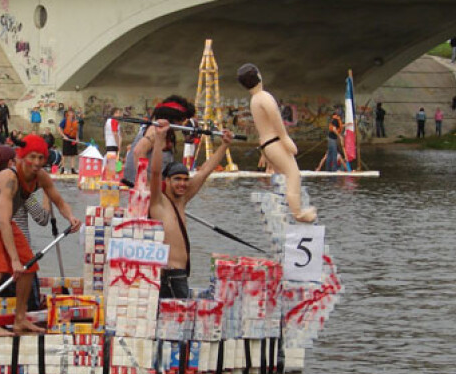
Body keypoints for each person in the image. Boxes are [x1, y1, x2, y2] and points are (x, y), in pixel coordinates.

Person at [0, 138, 81, 336]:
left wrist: (71, 217)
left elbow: (59, 201)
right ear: (22, 157)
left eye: (41, 158)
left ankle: (20, 319)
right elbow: (3, 222)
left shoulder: (41, 177)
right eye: (32, 157)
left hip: (5, 221)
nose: (37, 163)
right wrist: (13, 260)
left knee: (30, 267)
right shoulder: (9, 179)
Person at [149, 120, 232, 298]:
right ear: (167, 182)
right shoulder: (158, 202)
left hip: (181, 276)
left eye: (185, 179)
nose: (183, 184)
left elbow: (204, 172)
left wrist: (224, 145)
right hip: (167, 276)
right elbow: (155, 172)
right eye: (177, 179)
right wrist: (159, 138)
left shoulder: (182, 200)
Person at [237, 63, 316, 222]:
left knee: (285, 178)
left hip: (267, 144)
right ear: (259, 76)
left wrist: (264, 153)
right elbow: (276, 121)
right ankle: (298, 213)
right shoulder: (264, 97)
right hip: (275, 142)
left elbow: (262, 127)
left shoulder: (254, 100)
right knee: (293, 175)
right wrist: (286, 139)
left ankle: (287, 209)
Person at [121, 95, 195, 188]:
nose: (182, 123)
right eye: (181, 119)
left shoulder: (165, 132)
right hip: (139, 187)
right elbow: (138, 152)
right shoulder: (154, 130)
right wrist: (144, 184)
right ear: (173, 117)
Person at [58, 108, 79, 174]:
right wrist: (64, 136)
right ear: (68, 113)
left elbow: (77, 130)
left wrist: (77, 138)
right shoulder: (65, 120)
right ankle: (63, 168)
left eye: (72, 113)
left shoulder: (75, 120)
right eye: (70, 113)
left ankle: (72, 168)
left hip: (73, 138)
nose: (71, 114)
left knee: (73, 154)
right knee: (65, 154)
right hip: (67, 138)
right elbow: (59, 128)